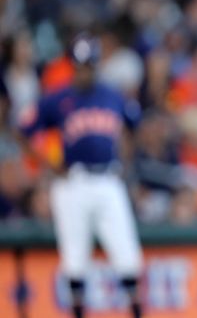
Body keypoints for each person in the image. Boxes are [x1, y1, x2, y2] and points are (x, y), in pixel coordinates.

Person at [17, 34, 144, 318]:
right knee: (75, 260)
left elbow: (133, 126)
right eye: (80, 64)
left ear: (97, 64)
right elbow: (23, 130)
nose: (84, 70)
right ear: (73, 65)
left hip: (109, 179)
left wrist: (126, 159)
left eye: (89, 64)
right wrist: (47, 165)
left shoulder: (112, 94)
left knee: (127, 256)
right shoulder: (58, 98)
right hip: (73, 182)